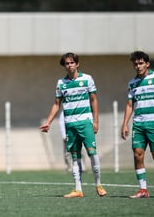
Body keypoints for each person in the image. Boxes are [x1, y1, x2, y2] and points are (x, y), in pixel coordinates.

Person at [39, 52, 107, 198]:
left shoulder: (87, 79)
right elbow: (57, 104)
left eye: (71, 62)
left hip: (85, 123)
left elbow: (94, 100)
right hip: (70, 125)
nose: (69, 65)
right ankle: (78, 189)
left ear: (77, 64)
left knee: (92, 153)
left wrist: (96, 121)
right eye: (66, 63)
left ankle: (99, 185)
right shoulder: (61, 83)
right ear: (64, 66)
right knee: (75, 157)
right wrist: (48, 122)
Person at [121, 51, 154, 198]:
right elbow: (129, 105)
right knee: (138, 155)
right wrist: (125, 124)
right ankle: (143, 189)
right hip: (138, 123)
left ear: (147, 64)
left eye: (140, 63)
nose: (138, 66)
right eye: (135, 64)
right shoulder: (132, 83)